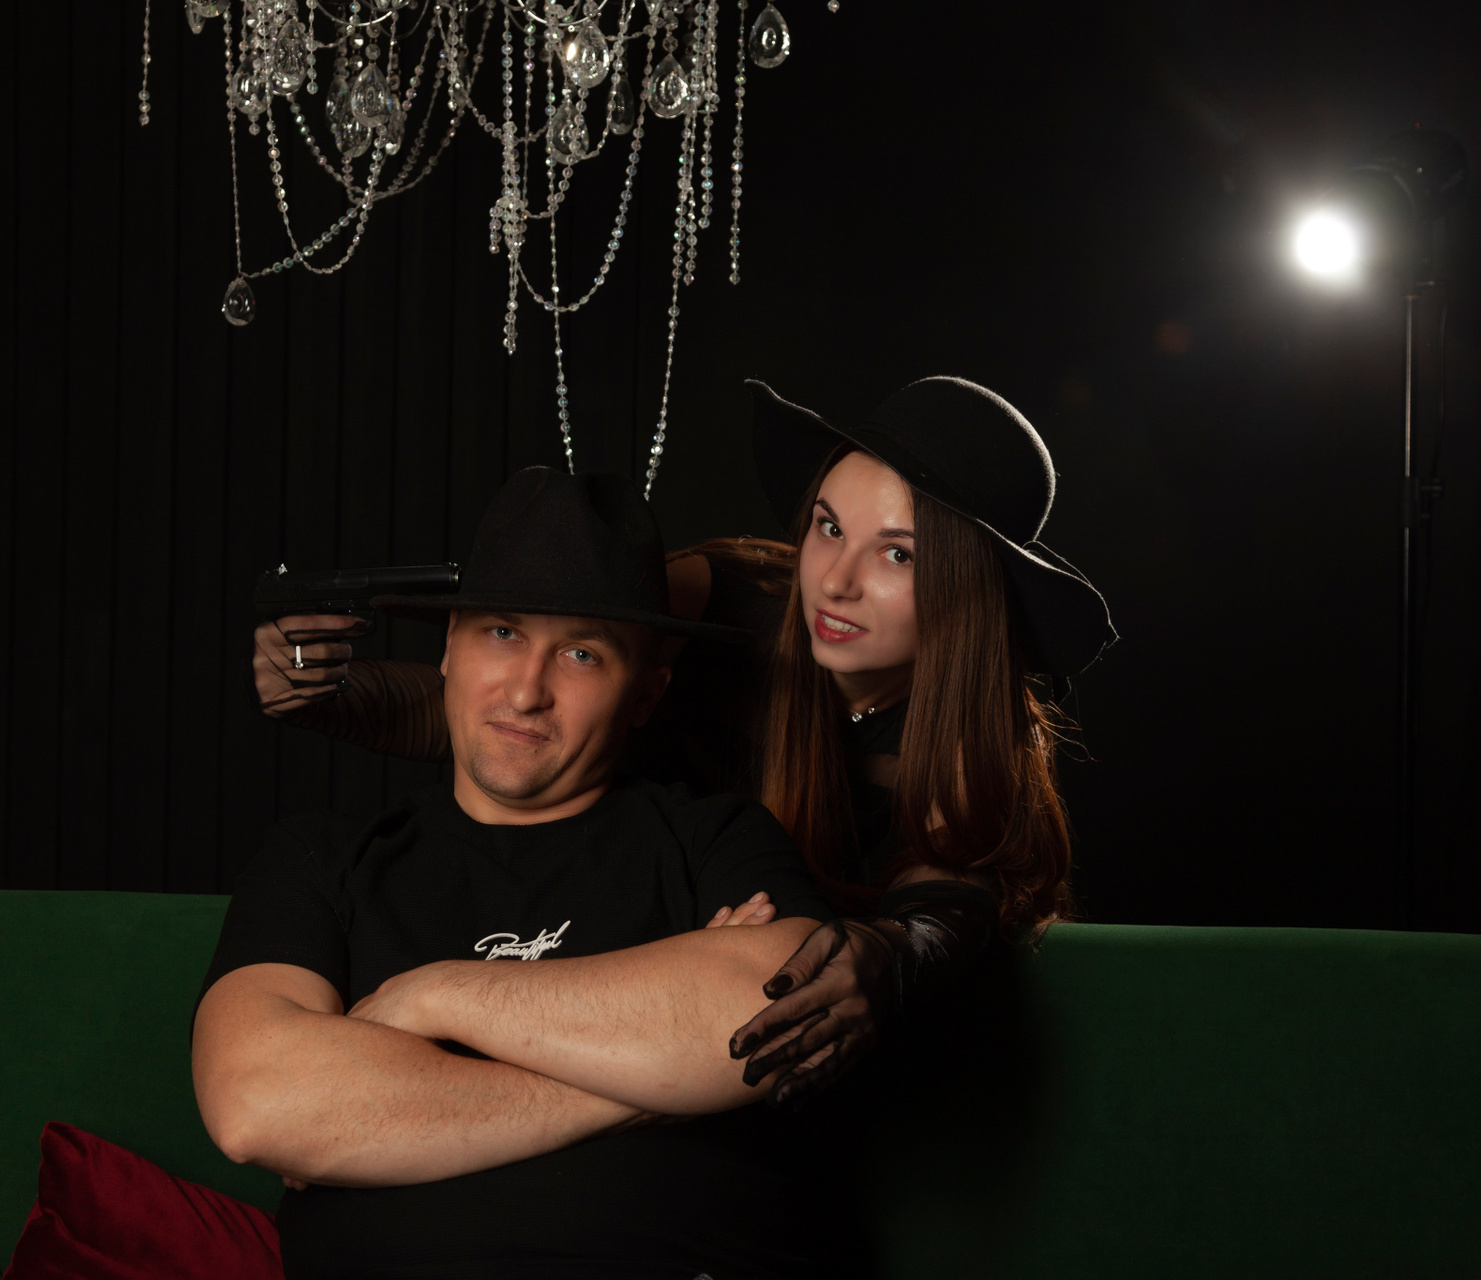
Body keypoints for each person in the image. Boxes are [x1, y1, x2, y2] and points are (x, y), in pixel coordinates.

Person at [253, 377, 1115, 1105]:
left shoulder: (968, 739)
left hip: (742, 1023)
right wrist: (331, 692)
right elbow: (532, 697)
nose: (837, 581)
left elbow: (948, 903)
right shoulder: (720, 597)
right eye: (828, 526)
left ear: (969, 590)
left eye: (899, 556)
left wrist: (885, 957)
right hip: (592, 933)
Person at [195, 466, 851, 1280]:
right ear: (449, 646)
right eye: (503, 633)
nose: (528, 690)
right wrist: (658, 1082)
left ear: (646, 695)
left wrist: (433, 997)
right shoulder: (321, 857)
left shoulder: (713, 838)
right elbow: (258, 1101)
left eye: (581, 653)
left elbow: (775, 1013)